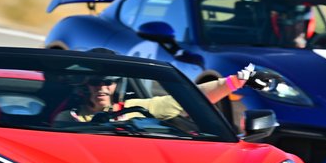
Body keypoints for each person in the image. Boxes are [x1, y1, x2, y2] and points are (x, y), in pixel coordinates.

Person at [56, 64, 267, 123]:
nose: (102, 87)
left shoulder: (135, 107)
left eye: (108, 82)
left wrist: (235, 81)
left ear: (115, 85)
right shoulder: (69, 118)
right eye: (95, 82)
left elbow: (189, 99)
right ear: (85, 86)